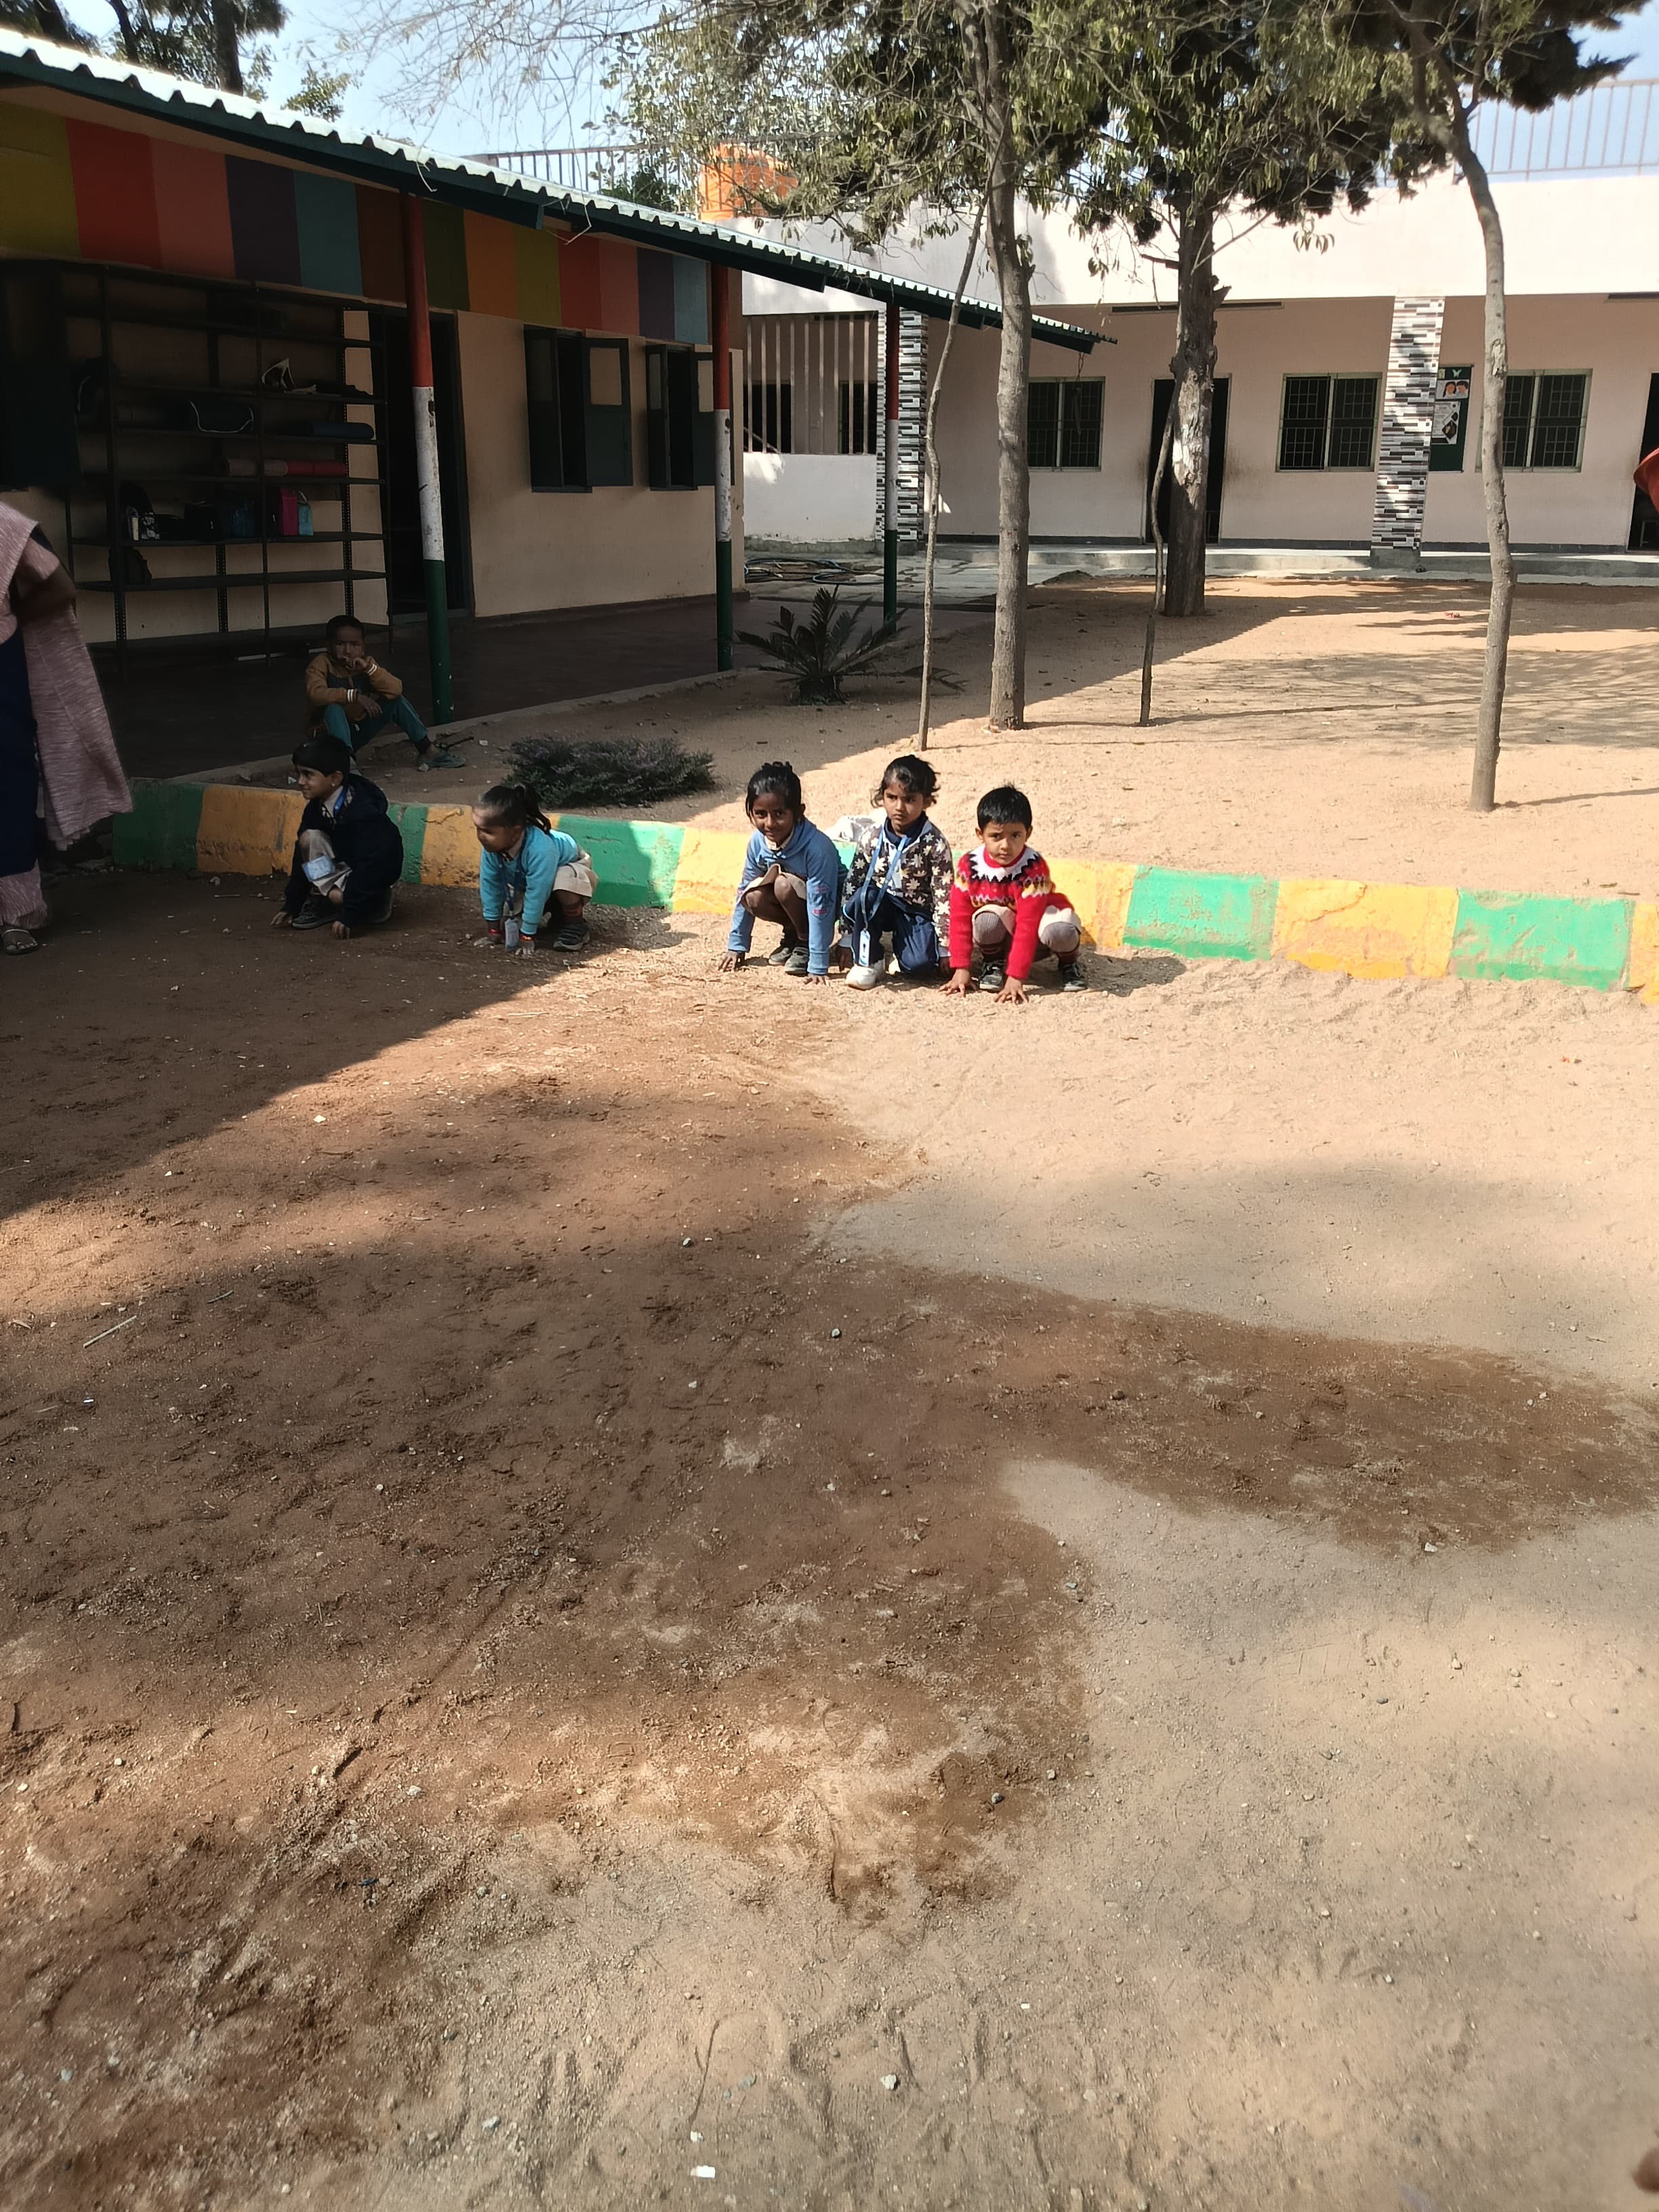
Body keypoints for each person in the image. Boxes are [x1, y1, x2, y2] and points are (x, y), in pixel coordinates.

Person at [0, 501, 130, 955]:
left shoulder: (4, 523)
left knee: (9, 787)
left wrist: (15, 614)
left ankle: (17, 915)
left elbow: (59, 586)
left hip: (2, 671)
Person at [941, 783, 1085, 1003]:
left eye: (1015, 835)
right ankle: (993, 962)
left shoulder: (1032, 868)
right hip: (1005, 933)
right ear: (981, 834)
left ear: (1028, 833)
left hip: (1038, 935)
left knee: (1061, 930)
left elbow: (1028, 924)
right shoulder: (970, 866)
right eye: (996, 836)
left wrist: (1016, 977)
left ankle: (1068, 963)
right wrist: (961, 968)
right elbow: (959, 917)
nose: (1006, 845)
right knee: (987, 919)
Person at [720, 759, 843, 983]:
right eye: (760, 814)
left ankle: (805, 944)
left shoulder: (817, 849)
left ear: (798, 813)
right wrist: (737, 945)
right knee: (753, 896)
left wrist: (818, 963)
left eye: (779, 813)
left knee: (783, 885)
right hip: (800, 904)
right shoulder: (758, 843)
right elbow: (744, 888)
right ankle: (793, 936)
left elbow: (821, 904)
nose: (770, 823)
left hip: (829, 906)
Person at [839, 752, 955, 991]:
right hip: (880, 902)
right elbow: (853, 882)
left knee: (920, 965)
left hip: (916, 910)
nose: (899, 807)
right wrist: (847, 937)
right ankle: (871, 959)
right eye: (892, 797)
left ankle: (902, 955)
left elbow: (944, 896)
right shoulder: (871, 837)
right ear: (882, 796)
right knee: (864, 896)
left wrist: (945, 947)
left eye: (910, 799)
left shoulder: (935, 843)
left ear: (927, 801)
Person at [272, 734, 404, 939]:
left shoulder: (365, 814)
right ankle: (328, 900)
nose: (300, 782)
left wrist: (351, 914)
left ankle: (375, 900)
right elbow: (303, 856)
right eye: (299, 774)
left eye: (308, 775)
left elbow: (371, 866)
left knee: (345, 895)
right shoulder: (316, 809)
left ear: (335, 779)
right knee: (309, 839)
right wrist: (293, 903)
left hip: (373, 873)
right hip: (346, 869)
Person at [303, 615, 460, 773]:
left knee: (396, 701)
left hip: (356, 733)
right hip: (326, 740)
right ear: (329, 646)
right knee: (334, 708)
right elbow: (316, 694)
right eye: (340, 644)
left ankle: (427, 750)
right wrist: (354, 696)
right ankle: (345, 766)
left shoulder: (366, 664)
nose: (348, 651)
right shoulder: (320, 664)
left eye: (355, 645)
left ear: (363, 647)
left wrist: (370, 670)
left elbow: (396, 689)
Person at [472, 782, 593, 956]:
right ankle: (558, 916)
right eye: (478, 829)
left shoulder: (540, 850)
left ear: (515, 832)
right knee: (511, 926)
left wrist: (527, 935)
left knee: (564, 881)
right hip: (534, 880)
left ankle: (576, 926)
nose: (481, 837)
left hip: (570, 867)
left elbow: (537, 891)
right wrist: (494, 930)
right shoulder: (492, 849)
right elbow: (490, 885)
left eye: (488, 832)